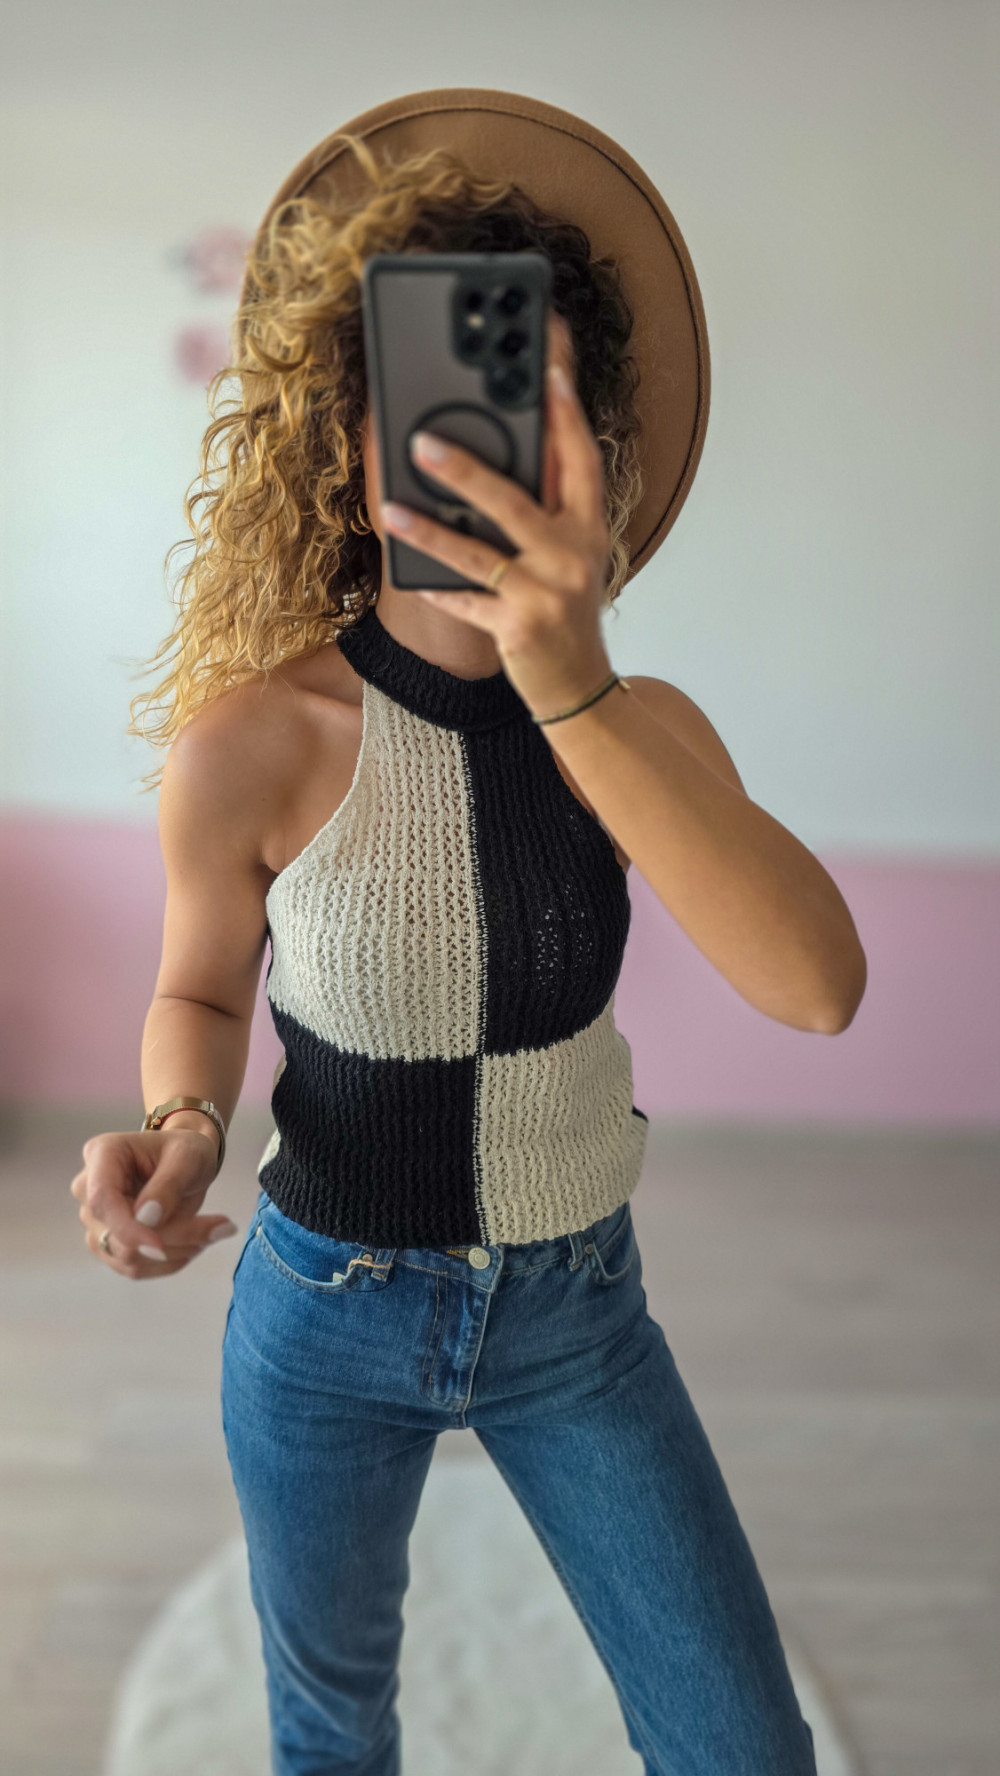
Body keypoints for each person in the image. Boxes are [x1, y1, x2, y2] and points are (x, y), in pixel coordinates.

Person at [71, 90, 865, 1776]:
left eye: (524, 409)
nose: (467, 454)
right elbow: (200, 987)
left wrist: (569, 678)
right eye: (427, 403)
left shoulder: (642, 732)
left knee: (744, 1750)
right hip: (322, 1312)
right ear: (348, 443)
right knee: (331, 1733)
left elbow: (819, 989)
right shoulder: (253, 744)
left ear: (593, 457)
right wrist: (183, 1124)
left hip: (579, 1316)